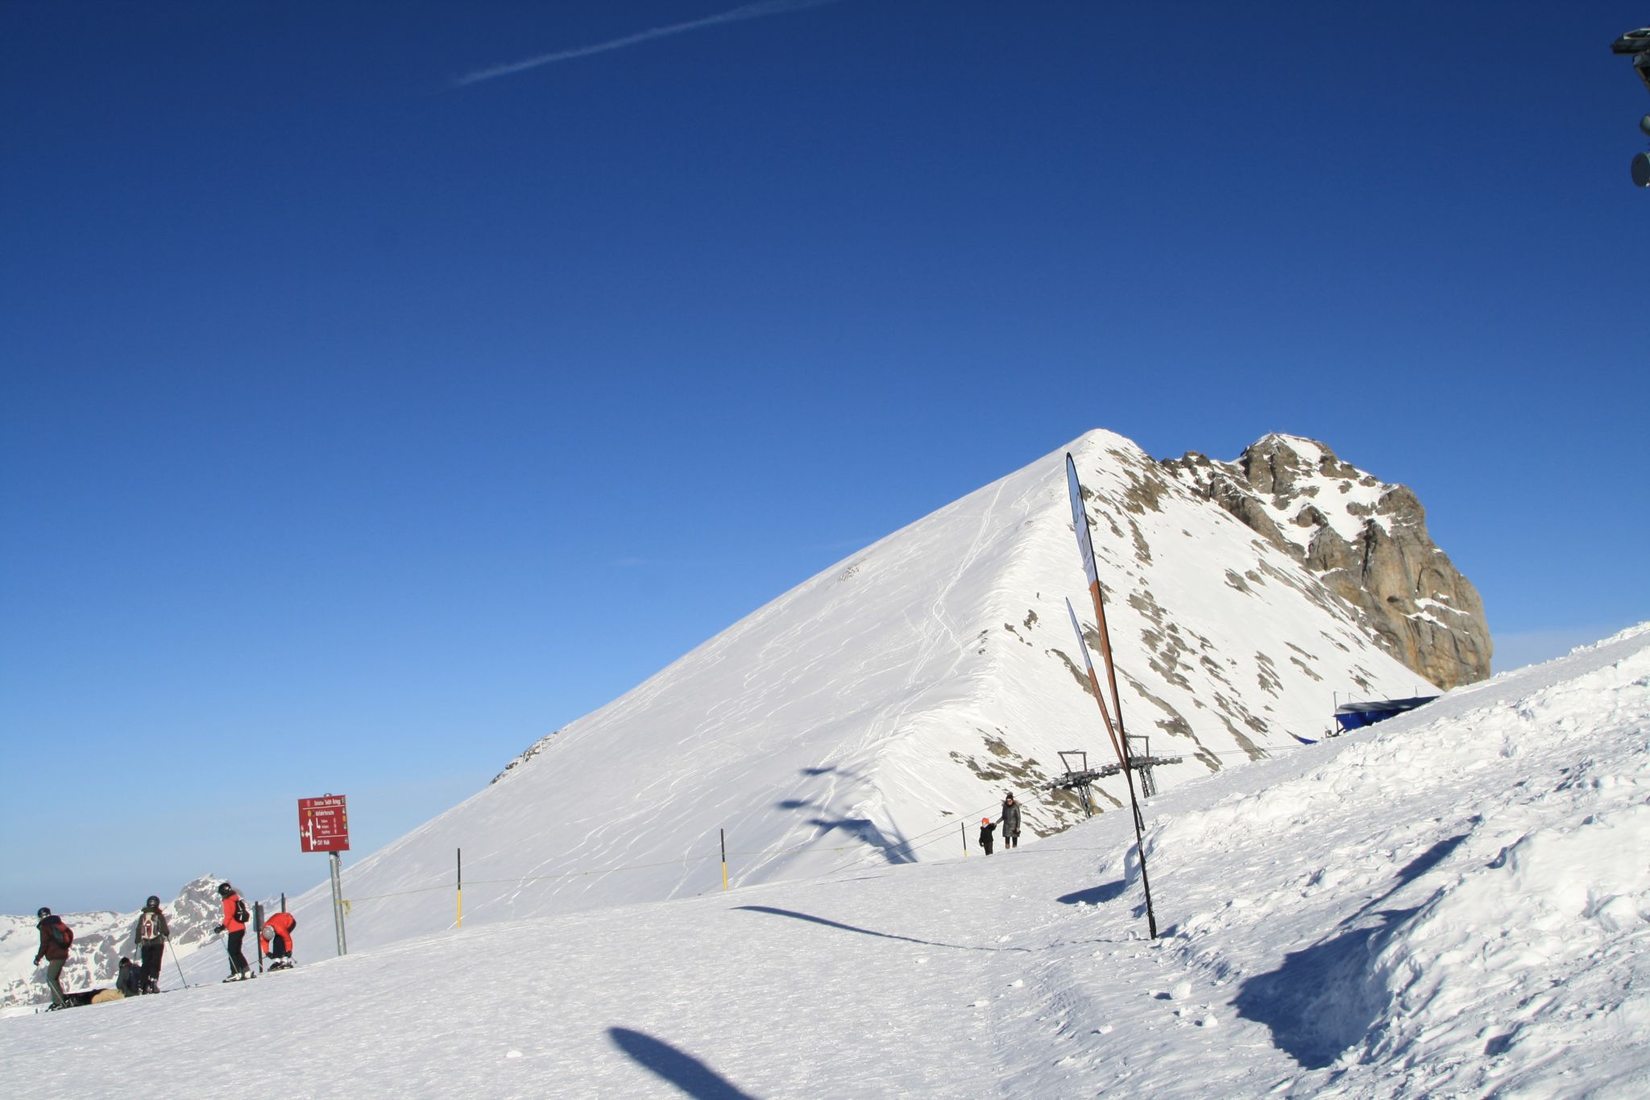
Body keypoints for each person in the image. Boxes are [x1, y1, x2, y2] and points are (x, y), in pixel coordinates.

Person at [32, 906, 73, 1010]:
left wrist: (38, 958)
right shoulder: (57, 923)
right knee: (53, 978)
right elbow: (70, 934)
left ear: (42, 916)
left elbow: (44, 944)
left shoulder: (45, 926)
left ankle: (60, 1002)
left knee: (50, 979)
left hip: (56, 956)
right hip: (62, 954)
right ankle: (58, 1000)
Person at [213, 882, 254, 982]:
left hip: (234, 929)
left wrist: (222, 927)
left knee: (232, 952)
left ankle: (236, 973)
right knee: (237, 951)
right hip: (241, 928)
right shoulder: (235, 898)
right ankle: (246, 971)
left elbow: (229, 916)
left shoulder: (227, 901)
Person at [131, 895, 170, 994]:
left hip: (145, 943)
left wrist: (138, 940)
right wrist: (166, 934)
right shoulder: (159, 915)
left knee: (146, 963)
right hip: (157, 943)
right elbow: (165, 930)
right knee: (155, 963)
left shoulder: (143, 916)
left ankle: (142, 984)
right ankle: (153, 983)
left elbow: (139, 929)